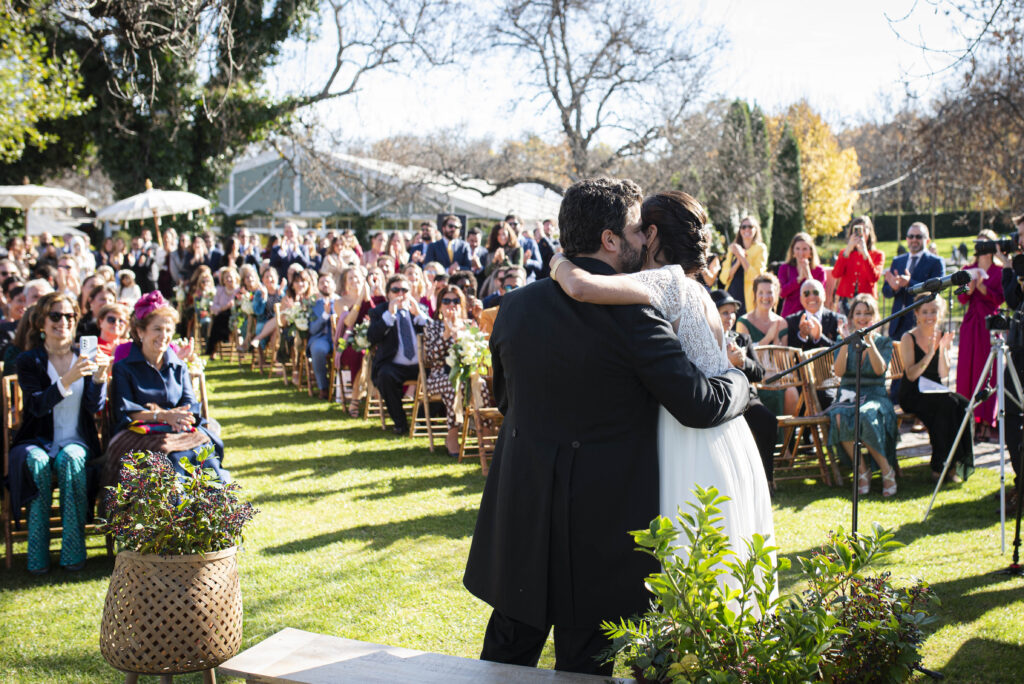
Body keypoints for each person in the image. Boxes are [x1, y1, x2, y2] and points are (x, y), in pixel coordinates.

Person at [464, 180, 751, 676]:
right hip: (599, 536)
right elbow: (700, 405)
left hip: (522, 514)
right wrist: (739, 381)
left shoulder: (514, 308)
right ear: (611, 240)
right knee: (584, 668)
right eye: (638, 230)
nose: (647, 240)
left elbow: (509, 399)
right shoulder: (638, 317)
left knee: (504, 659)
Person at [6, 294, 109, 573]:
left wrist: (99, 378)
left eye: (69, 316)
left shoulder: (83, 356)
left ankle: (73, 553)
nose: (63, 322)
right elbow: (37, 406)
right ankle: (36, 557)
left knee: (72, 459)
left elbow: (93, 407)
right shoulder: (30, 360)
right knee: (37, 462)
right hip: (34, 441)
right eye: (55, 316)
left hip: (76, 441)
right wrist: (68, 378)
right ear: (41, 322)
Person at [106, 291, 228, 485]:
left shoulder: (178, 366)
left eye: (169, 330)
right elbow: (126, 411)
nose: (164, 336)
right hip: (141, 435)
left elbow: (190, 404)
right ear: (140, 331)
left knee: (209, 463)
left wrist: (178, 418)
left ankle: (213, 514)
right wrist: (164, 416)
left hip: (180, 430)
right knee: (173, 461)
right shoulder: (124, 368)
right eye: (157, 329)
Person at [824, 294, 899, 496]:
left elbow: (878, 370)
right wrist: (846, 343)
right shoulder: (843, 340)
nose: (863, 317)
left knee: (864, 415)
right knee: (838, 415)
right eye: (858, 313)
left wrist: (869, 340)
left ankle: (886, 470)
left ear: (875, 316)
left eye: (867, 313)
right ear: (851, 317)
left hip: (875, 394)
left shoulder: (883, 342)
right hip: (848, 393)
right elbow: (839, 373)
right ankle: (862, 470)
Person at [898, 294, 974, 483]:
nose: (930, 316)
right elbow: (911, 375)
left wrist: (943, 350)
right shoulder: (908, 338)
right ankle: (939, 466)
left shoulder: (940, 335)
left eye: (934, 311)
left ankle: (954, 462)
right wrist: (931, 352)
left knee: (963, 404)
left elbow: (944, 373)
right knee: (946, 406)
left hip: (934, 389)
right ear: (916, 313)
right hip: (913, 392)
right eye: (925, 312)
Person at [714, 289, 781, 490]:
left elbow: (759, 373)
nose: (730, 317)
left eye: (732, 312)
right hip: (721, 396)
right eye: (725, 312)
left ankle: (766, 479)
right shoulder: (708, 338)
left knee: (768, 420)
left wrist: (743, 362)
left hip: (745, 397)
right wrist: (727, 361)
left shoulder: (742, 339)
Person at [423, 284, 491, 456]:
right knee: (454, 384)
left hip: (468, 374)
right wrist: (447, 334)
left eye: (455, 301)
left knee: (481, 384)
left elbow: (479, 352)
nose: (451, 305)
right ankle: (453, 433)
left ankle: (486, 431)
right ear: (439, 305)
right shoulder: (433, 326)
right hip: (439, 376)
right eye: (446, 301)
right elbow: (430, 359)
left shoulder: (469, 324)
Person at [956, 229, 1006, 440]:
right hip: (970, 324)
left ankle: (987, 421)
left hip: (990, 324)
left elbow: (1001, 299)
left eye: (987, 244)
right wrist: (970, 286)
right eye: (980, 243)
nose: (982, 248)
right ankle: (969, 418)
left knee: (987, 370)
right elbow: (961, 299)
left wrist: (983, 287)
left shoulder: (999, 270)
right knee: (968, 368)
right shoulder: (967, 269)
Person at [367, 273, 429, 435]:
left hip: (419, 364)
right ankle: (400, 423)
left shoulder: (419, 309)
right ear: (388, 294)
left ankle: (420, 421)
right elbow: (372, 337)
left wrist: (419, 316)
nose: (400, 294)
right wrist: (389, 315)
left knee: (441, 374)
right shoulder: (379, 312)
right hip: (393, 364)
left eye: (404, 290)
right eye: (395, 290)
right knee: (385, 376)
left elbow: (434, 333)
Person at [735, 274, 798, 418]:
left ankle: (786, 438)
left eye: (770, 292)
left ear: (776, 295)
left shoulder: (781, 322)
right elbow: (745, 356)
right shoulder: (743, 322)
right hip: (754, 376)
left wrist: (775, 339)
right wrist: (767, 338)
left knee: (792, 392)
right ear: (755, 295)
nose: (765, 297)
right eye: (761, 292)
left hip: (775, 375)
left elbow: (783, 361)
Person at [882, 222, 946, 341]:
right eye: (911, 236)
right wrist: (893, 288)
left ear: (927, 240)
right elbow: (886, 292)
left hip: (921, 323)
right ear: (906, 239)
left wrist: (910, 283)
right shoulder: (898, 261)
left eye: (918, 236)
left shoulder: (936, 262)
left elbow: (937, 290)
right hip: (897, 324)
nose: (914, 239)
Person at [832, 216, 885, 317]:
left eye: (864, 230)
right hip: (846, 300)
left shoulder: (877, 254)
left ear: (870, 232)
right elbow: (836, 274)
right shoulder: (844, 253)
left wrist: (865, 253)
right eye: (857, 231)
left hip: (867, 301)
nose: (861, 234)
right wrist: (848, 250)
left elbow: (874, 278)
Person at [718, 216, 767, 315]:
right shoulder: (732, 248)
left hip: (749, 299)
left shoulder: (760, 248)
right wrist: (738, 261)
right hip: (731, 296)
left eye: (750, 226)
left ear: (756, 229)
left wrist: (741, 256)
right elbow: (724, 278)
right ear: (740, 230)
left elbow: (757, 276)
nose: (747, 229)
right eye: (743, 227)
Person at [784, 278, 844, 353]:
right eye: (806, 293)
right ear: (800, 299)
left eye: (816, 292)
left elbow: (841, 351)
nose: (811, 297)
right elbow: (789, 355)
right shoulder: (791, 321)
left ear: (824, 296)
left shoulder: (838, 320)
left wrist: (820, 337)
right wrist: (802, 336)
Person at [777, 232, 826, 317]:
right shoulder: (785, 268)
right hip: (790, 314)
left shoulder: (819, 270)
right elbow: (781, 293)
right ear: (793, 251)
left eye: (804, 249)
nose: (801, 253)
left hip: (812, 315)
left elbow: (819, 294)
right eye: (797, 248)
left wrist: (808, 275)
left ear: (810, 251)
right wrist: (798, 280)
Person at [308, 273, 339, 400]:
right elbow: (313, 329)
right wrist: (325, 316)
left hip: (339, 337)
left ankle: (341, 386)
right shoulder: (314, 304)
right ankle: (323, 387)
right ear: (318, 286)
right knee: (318, 350)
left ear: (334, 285)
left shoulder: (341, 301)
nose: (325, 285)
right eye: (322, 283)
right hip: (321, 338)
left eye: (328, 282)